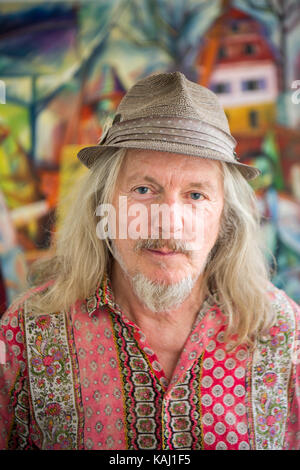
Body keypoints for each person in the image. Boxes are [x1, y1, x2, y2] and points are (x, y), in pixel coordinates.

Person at [0, 72, 299, 451]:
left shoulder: (284, 334)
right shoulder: (27, 334)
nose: (168, 222)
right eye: (143, 189)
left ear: (226, 218)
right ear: (102, 206)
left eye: (195, 195)